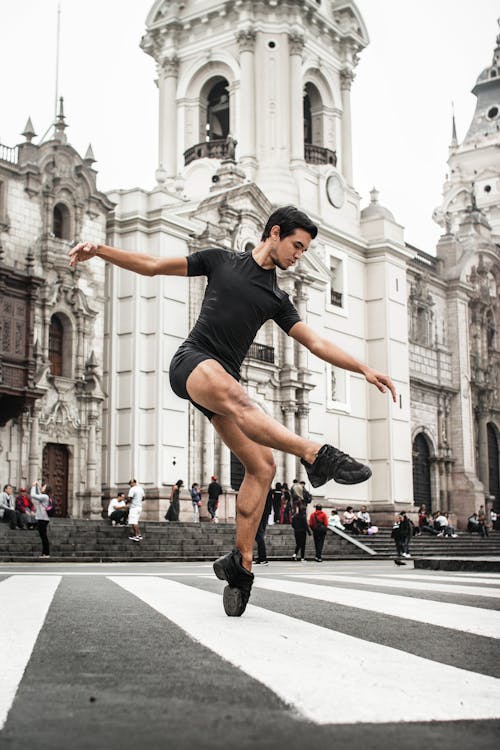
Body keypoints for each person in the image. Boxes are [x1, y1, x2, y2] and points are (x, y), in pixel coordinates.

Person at [70, 205, 396, 617]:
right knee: (243, 401)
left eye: (304, 248)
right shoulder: (220, 260)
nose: (300, 254)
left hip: (221, 385)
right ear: (274, 233)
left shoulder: (278, 298)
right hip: (192, 363)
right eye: (297, 245)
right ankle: (315, 453)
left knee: (262, 466)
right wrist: (100, 249)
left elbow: (315, 343)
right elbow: (153, 265)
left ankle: (239, 565)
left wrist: (364, 367)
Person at [30, 481, 52, 558]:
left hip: (42, 518)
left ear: (46, 489)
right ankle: (44, 553)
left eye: (44, 486)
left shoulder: (45, 497)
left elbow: (33, 495)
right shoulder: (45, 496)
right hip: (43, 518)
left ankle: (46, 553)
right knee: (43, 536)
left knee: (44, 536)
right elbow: (39, 495)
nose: (42, 487)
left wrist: (33, 486)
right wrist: (37, 487)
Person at [254, 489, 272, 565]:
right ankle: (261, 557)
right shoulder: (268, 489)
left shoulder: (261, 488)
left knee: (259, 535)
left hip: (260, 513)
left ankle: (262, 557)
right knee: (259, 535)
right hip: (265, 513)